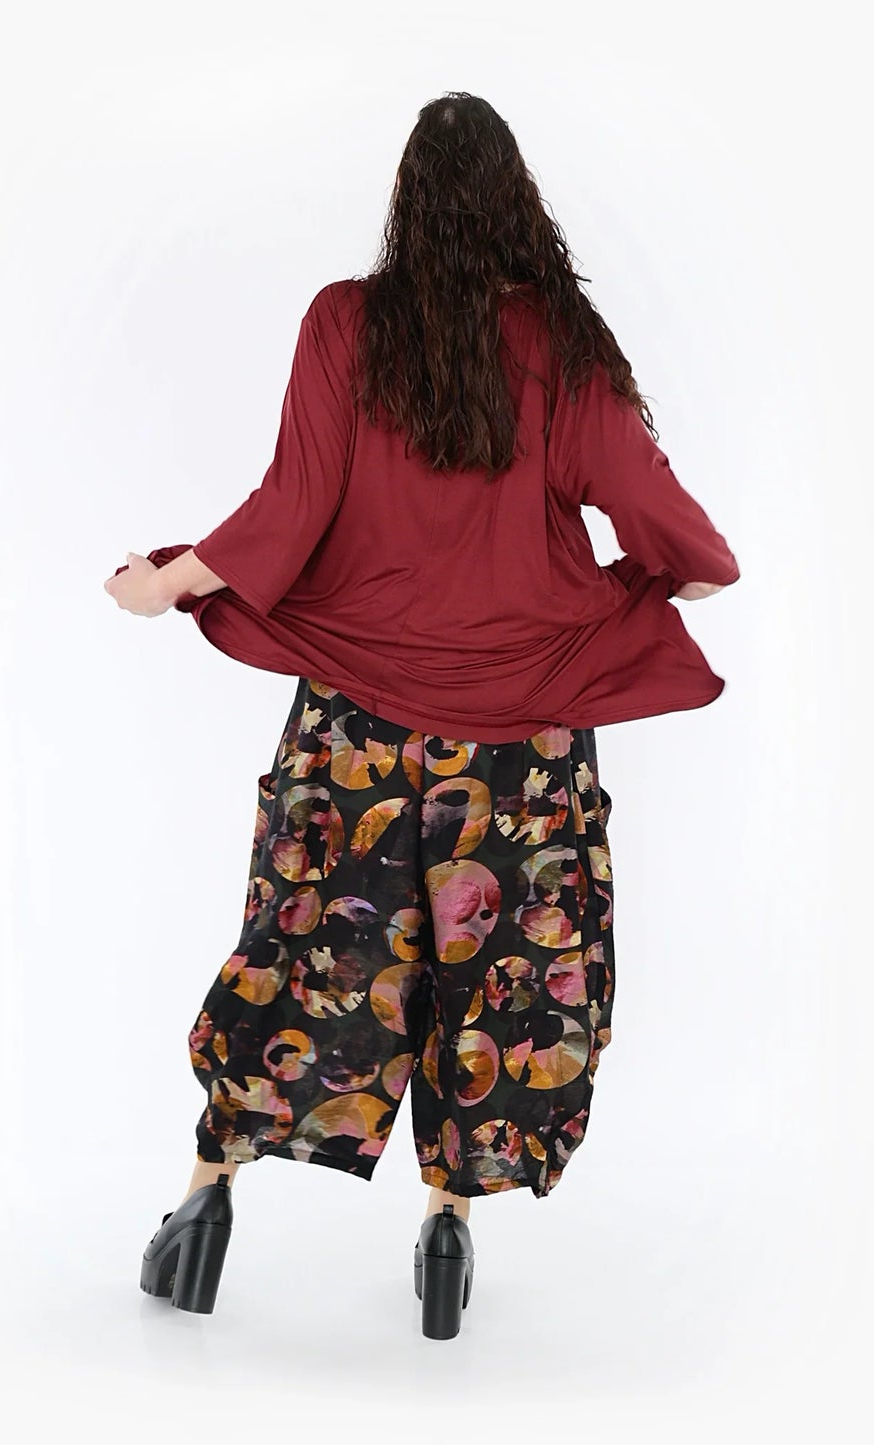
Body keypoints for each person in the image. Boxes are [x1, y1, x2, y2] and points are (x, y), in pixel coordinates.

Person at [104, 91, 740, 1339]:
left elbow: (288, 511)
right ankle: (447, 1228)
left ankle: (205, 1202)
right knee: (493, 980)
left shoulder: (346, 324)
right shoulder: (564, 346)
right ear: (518, 204)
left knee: (309, 955)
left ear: (408, 202)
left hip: (357, 726)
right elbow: (691, 551)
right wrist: (630, 591)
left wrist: (167, 578)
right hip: (521, 743)